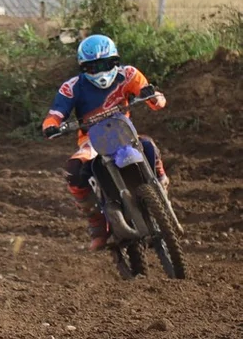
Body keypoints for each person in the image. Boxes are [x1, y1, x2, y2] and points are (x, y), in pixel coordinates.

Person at [41, 34, 169, 251]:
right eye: (93, 67)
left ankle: (160, 181)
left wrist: (153, 97)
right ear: (83, 68)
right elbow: (55, 114)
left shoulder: (129, 75)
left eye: (106, 64)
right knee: (74, 170)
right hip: (92, 140)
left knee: (147, 145)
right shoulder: (72, 87)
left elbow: (156, 100)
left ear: (115, 62)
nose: (100, 71)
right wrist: (51, 126)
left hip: (124, 133)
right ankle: (97, 225)